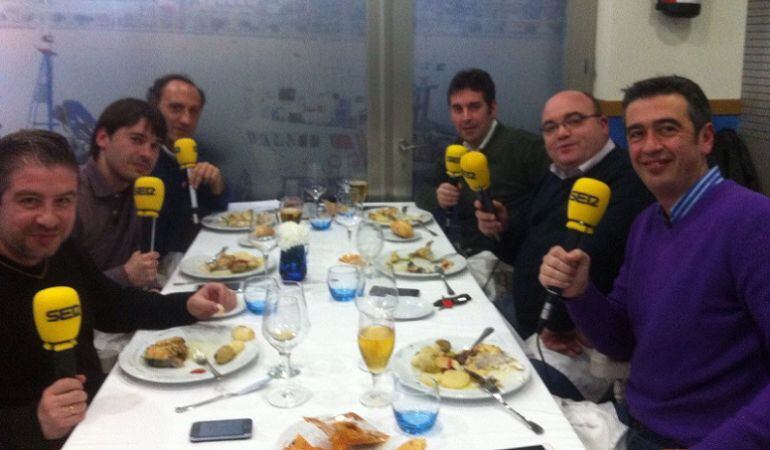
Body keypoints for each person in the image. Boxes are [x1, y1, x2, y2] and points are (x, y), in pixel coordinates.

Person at [539, 75, 770, 449]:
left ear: (705, 138)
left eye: (667, 130)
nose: (650, 147)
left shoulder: (753, 222)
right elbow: (620, 341)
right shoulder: (648, 222)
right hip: (635, 423)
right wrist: (580, 292)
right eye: (636, 134)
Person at [0, 129, 236, 449]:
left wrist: (186, 306)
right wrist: (33, 422)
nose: (49, 218)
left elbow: (110, 307)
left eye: (64, 201)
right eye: (29, 200)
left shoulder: (61, 249)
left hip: (100, 420)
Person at [476, 90, 653, 341]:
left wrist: (558, 325)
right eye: (550, 127)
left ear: (603, 125)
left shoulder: (628, 181)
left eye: (574, 121)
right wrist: (501, 228)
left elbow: (595, 264)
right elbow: (519, 250)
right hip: (522, 315)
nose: (562, 133)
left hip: (567, 339)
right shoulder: (556, 175)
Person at [417, 68, 550, 256]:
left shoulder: (528, 148)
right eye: (458, 109)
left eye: (474, 107)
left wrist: (507, 222)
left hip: (510, 262)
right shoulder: (456, 149)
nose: (466, 118)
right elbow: (423, 190)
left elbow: (551, 210)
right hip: (464, 255)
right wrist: (437, 197)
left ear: (492, 108)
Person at [70, 98, 166, 288]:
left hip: (122, 306)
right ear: (102, 138)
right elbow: (58, 290)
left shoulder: (138, 191)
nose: (147, 154)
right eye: (136, 140)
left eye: (154, 146)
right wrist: (124, 275)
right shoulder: (71, 197)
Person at [146, 74, 228, 255]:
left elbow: (216, 213)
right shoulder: (140, 160)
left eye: (194, 111)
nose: (186, 120)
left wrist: (217, 186)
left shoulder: (193, 156)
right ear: (154, 108)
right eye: (176, 108)